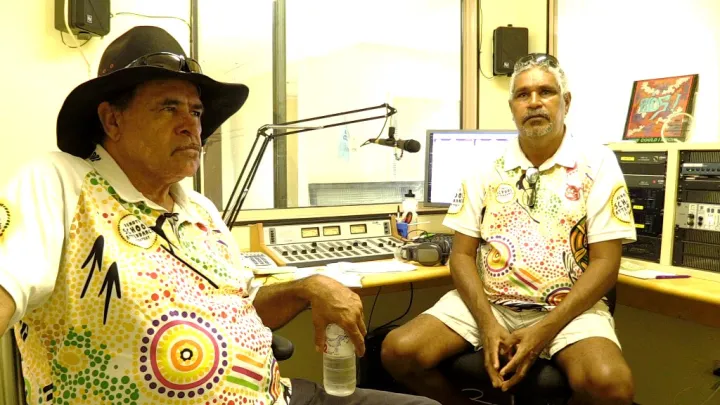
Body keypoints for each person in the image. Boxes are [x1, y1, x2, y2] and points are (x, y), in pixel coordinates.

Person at [0, 26, 439, 405]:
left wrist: (309, 286)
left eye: (195, 111)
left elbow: (247, 306)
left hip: (274, 394)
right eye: (168, 107)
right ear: (112, 121)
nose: (191, 125)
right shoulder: (59, 182)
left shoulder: (201, 210)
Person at [381, 54, 637, 405]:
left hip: (567, 309)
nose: (534, 102)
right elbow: (461, 255)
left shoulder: (598, 163)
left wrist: (545, 329)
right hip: (491, 304)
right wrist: (487, 324)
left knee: (611, 386)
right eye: (522, 94)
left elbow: (607, 264)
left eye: (545, 92)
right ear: (512, 105)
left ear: (565, 101)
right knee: (398, 350)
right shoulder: (484, 166)